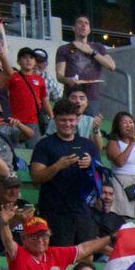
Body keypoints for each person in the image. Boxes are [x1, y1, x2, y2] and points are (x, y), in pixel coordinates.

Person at [30, 101, 100, 247]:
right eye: (63, 120)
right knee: (59, 258)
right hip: (55, 212)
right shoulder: (45, 144)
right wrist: (57, 166)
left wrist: (91, 166)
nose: (67, 124)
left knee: (86, 257)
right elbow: (36, 177)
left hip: (84, 211)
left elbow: (102, 177)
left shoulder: (88, 145)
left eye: (71, 120)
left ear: (77, 120)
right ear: (55, 120)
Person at [55, 15, 115, 120]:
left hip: (92, 96)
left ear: (89, 30)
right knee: (69, 124)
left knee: (92, 127)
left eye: (86, 23)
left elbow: (111, 66)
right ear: (73, 28)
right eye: (80, 22)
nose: (83, 25)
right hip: (71, 96)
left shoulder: (98, 47)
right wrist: (67, 80)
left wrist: (92, 52)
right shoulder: (64, 49)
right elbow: (59, 75)